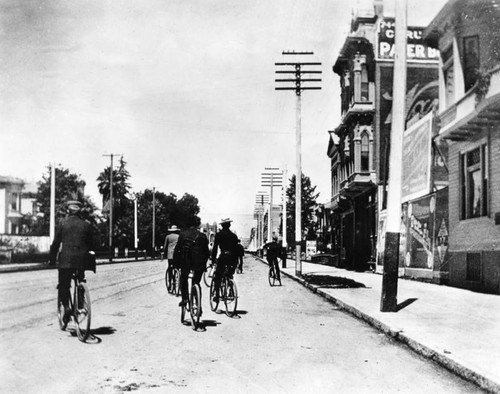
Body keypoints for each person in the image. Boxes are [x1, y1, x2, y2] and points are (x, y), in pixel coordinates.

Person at [49, 200, 96, 323]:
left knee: (63, 285)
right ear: (79, 211)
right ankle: (81, 305)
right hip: (82, 260)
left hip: (66, 260)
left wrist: (52, 260)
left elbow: (55, 244)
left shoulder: (63, 224)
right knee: (80, 279)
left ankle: (67, 307)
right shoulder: (86, 225)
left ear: (68, 211)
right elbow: (93, 244)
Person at [175, 218, 210, 308]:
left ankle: (184, 298)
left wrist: (176, 263)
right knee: (196, 282)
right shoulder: (202, 236)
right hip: (199, 263)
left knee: (184, 279)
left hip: (186, 261)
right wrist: (204, 263)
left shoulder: (183, 234)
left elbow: (177, 249)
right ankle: (198, 304)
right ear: (197, 225)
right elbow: (207, 252)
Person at [211, 218, 239, 302]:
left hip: (223, 256)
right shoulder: (234, 236)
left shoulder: (219, 235)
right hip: (232, 257)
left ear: (222, 225)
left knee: (218, 276)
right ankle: (231, 289)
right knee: (229, 274)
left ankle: (216, 295)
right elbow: (236, 249)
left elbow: (215, 248)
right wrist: (236, 262)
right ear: (229, 225)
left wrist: (213, 260)